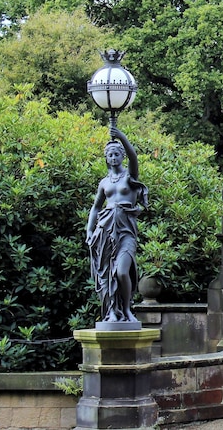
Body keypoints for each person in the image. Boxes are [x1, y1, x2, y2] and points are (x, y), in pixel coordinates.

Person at [86, 127, 148, 324]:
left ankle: (127, 309)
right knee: (107, 273)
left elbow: (134, 157)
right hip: (104, 230)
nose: (113, 157)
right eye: (109, 155)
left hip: (126, 230)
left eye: (116, 154)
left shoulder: (130, 178)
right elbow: (96, 208)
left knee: (121, 271)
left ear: (121, 156)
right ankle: (112, 311)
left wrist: (122, 137)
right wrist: (89, 230)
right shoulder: (104, 182)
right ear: (106, 158)